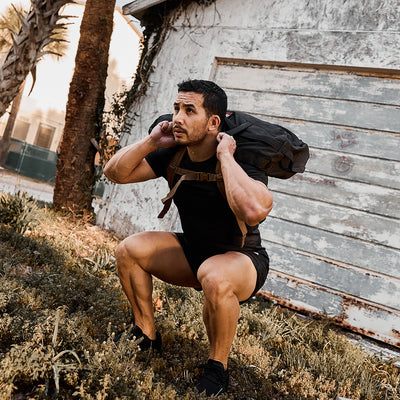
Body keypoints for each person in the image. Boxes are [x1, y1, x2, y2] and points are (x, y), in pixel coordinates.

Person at [104, 79, 273, 397]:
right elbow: (115, 173)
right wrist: (151, 142)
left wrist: (225, 157)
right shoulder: (174, 154)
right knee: (130, 250)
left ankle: (217, 368)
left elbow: (254, 211)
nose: (178, 118)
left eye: (189, 110)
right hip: (193, 251)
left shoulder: (242, 159)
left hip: (241, 259)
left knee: (215, 275)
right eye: (176, 108)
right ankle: (146, 336)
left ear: (213, 123)